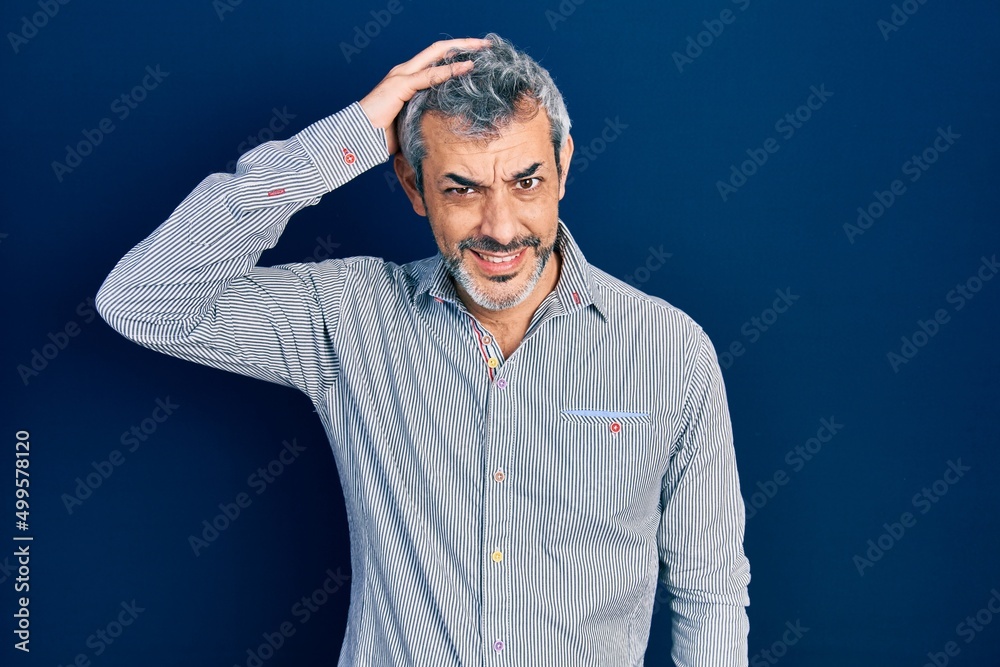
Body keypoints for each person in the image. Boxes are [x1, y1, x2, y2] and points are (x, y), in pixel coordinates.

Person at [96, 33, 750, 667]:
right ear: (412, 185)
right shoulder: (352, 315)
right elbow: (143, 299)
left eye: (525, 182)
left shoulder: (669, 350)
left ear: (563, 167)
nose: (500, 227)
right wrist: (347, 139)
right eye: (461, 189)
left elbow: (710, 591)